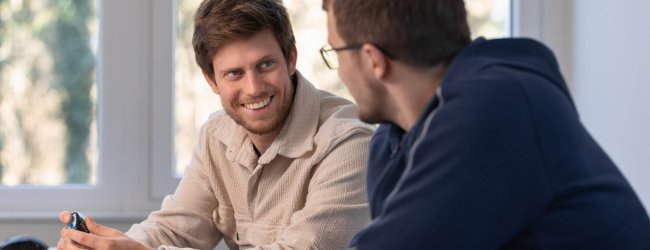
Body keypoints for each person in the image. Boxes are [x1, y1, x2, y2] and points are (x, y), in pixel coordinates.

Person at [321, 0, 650, 249]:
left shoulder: (498, 103)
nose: (339, 69)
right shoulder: (395, 138)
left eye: (335, 51)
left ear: (373, 60)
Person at [57, 0, 373, 249]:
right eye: (234, 73)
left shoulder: (348, 140)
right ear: (212, 81)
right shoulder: (217, 135)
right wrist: (103, 243)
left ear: (291, 58)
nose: (254, 88)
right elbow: (174, 229)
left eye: (266, 65)